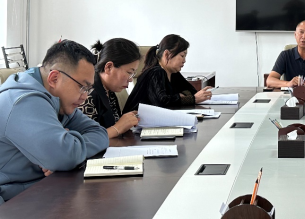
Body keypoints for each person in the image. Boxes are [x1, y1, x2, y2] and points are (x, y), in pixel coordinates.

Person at [0, 40, 109, 204]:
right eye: (82, 87)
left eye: (89, 89)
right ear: (54, 78)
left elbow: (100, 133)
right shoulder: (22, 101)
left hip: (43, 191)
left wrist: (67, 143)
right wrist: (63, 152)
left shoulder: (59, 100)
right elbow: (64, 156)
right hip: (12, 203)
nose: (85, 96)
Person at [123, 34, 212, 113]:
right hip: (134, 122)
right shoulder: (156, 72)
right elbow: (161, 102)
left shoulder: (173, 73)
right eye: (182, 56)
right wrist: (189, 98)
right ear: (167, 54)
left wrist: (181, 97)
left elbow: (192, 92)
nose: (184, 60)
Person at [79, 38, 141, 138]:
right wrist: (119, 127)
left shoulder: (108, 90)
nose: (130, 79)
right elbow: (84, 139)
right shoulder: (87, 95)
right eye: (129, 72)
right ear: (109, 67)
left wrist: (127, 121)